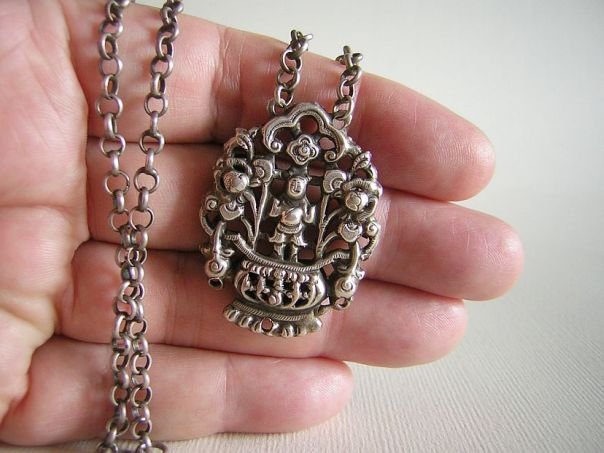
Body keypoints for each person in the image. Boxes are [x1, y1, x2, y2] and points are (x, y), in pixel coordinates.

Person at [0, 0, 523, 446]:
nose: (298, 180)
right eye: (293, 178)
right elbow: (249, 214)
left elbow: (318, 224)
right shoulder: (265, 183)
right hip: (268, 249)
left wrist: (309, 230)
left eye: (304, 179)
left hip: (291, 255)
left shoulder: (318, 195)